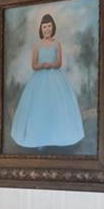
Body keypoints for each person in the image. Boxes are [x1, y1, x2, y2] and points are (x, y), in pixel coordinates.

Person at [9, 12, 85, 149]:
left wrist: (51, 65)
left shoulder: (57, 44)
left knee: (56, 106)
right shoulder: (37, 46)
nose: (47, 29)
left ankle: (56, 136)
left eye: (49, 26)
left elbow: (59, 62)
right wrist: (41, 66)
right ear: (41, 29)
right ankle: (39, 136)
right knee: (39, 105)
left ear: (53, 27)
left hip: (55, 77)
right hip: (39, 79)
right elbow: (34, 65)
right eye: (44, 27)